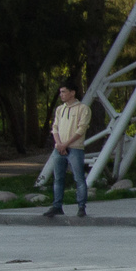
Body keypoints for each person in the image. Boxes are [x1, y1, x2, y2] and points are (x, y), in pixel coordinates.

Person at [45, 82, 91, 218]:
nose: (61, 95)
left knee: (79, 178)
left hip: (75, 148)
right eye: (61, 92)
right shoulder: (60, 109)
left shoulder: (83, 109)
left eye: (64, 92)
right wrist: (59, 144)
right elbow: (55, 127)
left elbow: (81, 129)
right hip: (59, 149)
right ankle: (57, 206)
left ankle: (81, 207)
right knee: (58, 178)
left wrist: (66, 144)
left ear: (72, 93)